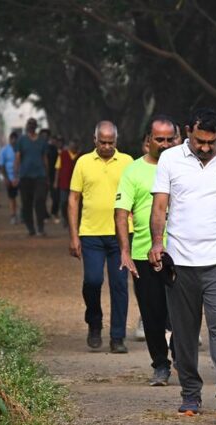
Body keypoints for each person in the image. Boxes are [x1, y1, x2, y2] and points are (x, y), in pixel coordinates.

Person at [149, 107, 216, 424]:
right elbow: (160, 206)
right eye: (199, 140)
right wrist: (156, 243)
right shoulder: (169, 160)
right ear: (188, 131)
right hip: (181, 261)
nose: (205, 147)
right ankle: (190, 393)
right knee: (184, 332)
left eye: (211, 142)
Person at [115, 115, 180, 385]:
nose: (164, 144)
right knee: (152, 312)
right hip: (145, 253)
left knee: (183, 311)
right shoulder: (134, 170)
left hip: (182, 251)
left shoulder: (186, 167)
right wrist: (125, 251)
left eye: (169, 139)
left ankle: (181, 353)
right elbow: (120, 212)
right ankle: (160, 365)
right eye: (159, 139)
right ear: (148, 141)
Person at [68, 121, 134, 353]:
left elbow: (136, 193)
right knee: (93, 281)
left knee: (119, 285)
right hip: (91, 234)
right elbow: (74, 199)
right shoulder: (83, 162)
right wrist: (74, 235)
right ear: (94, 140)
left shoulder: (127, 162)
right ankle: (94, 322)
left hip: (122, 235)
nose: (106, 146)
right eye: (102, 142)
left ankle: (118, 337)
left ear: (117, 141)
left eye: (111, 142)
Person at [14, 118, 50, 236]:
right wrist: (16, 175)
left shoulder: (42, 140)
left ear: (36, 126)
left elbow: (45, 158)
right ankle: (30, 228)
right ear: (26, 126)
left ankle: (41, 227)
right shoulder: (22, 140)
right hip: (25, 176)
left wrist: (47, 174)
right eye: (29, 124)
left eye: (33, 124)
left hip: (40, 175)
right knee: (26, 203)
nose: (31, 126)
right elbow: (18, 158)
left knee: (40, 200)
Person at [0, 131, 20, 224]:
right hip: (10, 177)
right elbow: (1, 165)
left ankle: (23, 214)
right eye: (12, 139)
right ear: (10, 139)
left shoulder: (20, 149)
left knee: (24, 198)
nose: (14, 141)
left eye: (15, 139)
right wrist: (6, 178)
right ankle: (13, 215)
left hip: (20, 177)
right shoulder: (4, 150)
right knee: (12, 198)